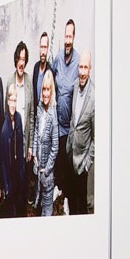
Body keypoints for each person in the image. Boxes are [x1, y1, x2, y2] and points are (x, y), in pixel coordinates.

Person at [52, 18, 81, 211]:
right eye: (66, 36)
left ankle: (68, 200)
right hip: (58, 124)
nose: (67, 40)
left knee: (69, 166)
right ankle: (59, 192)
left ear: (74, 37)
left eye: (70, 36)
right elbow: (51, 77)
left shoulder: (78, 61)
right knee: (59, 162)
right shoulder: (57, 58)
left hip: (70, 127)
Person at [68, 54, 94, 215]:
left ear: (90, 70)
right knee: (71, 201)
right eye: (80, 67)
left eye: (85, 67)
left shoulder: (94, 97)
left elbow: (96, 139)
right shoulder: (76, 85)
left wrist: (87, 164)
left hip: (82, 163)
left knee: (81, 206)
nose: (82, 72)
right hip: (70, 154)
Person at [33, 70, 58, 216]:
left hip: (47, 172)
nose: (45, 93)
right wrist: (35, 154)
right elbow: (37, 132)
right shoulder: (39, 108)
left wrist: (47, 170)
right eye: (44, 89)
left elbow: (55, 147)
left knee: (47, 210)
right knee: (39, 201)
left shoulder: (53, 115)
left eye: (48, 89)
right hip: (38, 167)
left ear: (52, 91)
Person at [0, 85, 25, 217]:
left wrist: (22, 172)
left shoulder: (19, 118)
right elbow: (3, 162)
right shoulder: (4, 130)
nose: (13, 104)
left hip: (19, 171)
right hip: (10, 174)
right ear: (7, 102)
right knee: (12, 210)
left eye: (15, 100)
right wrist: (6, 185)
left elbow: (21, 147)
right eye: (11, 100)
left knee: (21, 206)